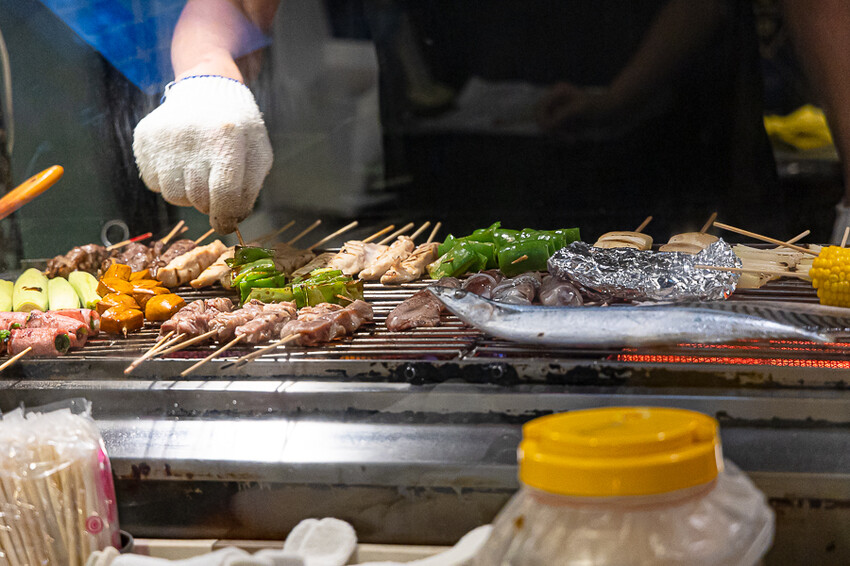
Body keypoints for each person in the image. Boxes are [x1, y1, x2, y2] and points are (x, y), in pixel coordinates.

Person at [134, 0, 850, 240]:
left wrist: (628, 93)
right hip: (438, 211)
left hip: (685, 192)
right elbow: (227, 7)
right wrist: (204, 79)